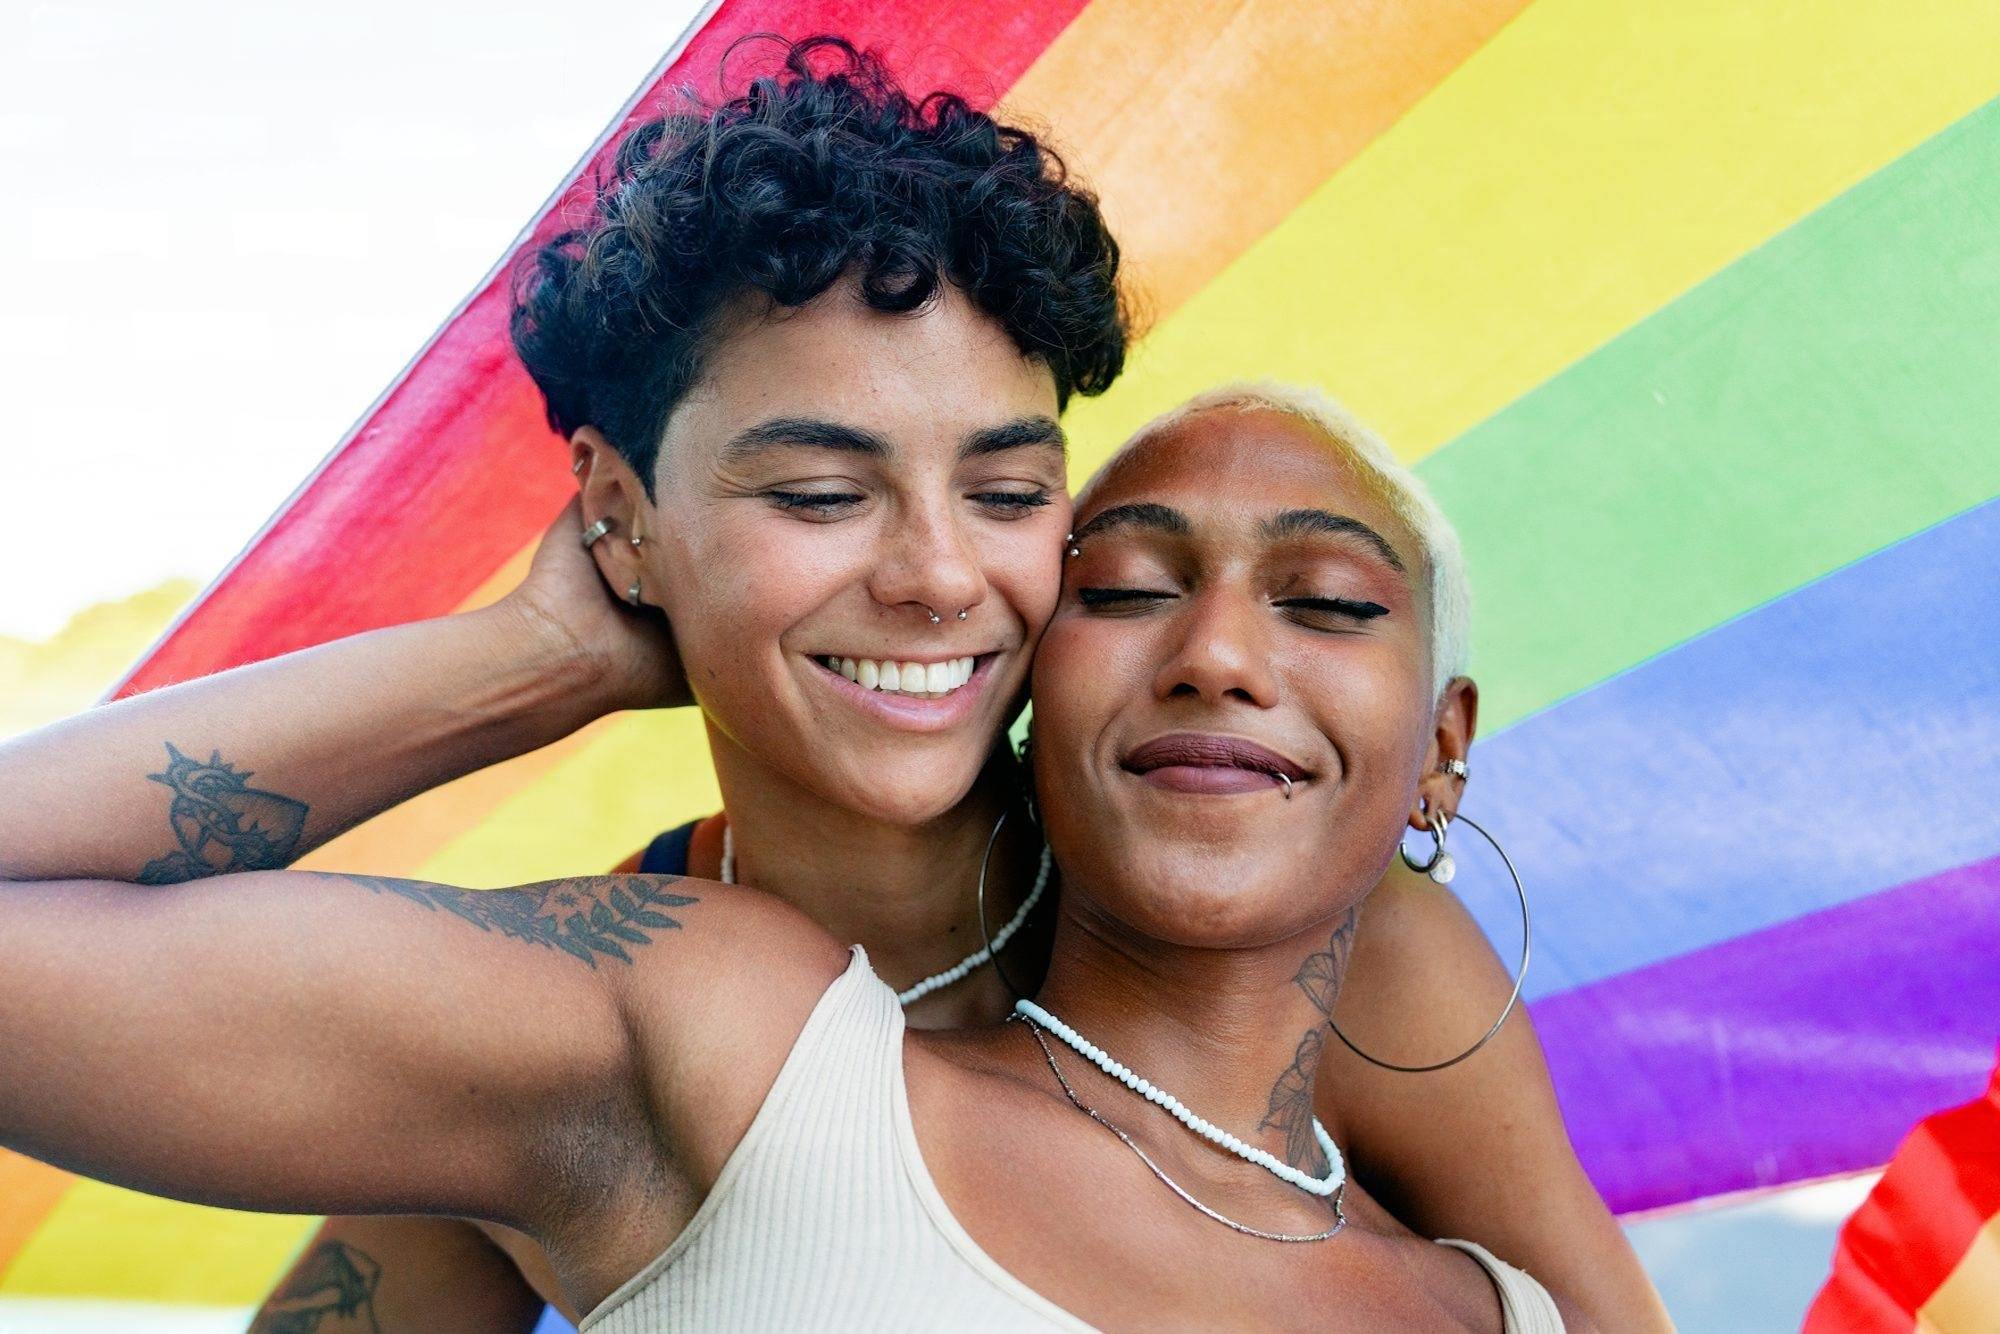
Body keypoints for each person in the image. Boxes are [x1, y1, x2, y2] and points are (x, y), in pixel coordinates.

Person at [50, 36, 1658, 1329]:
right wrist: (531, 659)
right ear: (621, 514)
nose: (939, 574)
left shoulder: (1288, 915)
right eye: (820, 495)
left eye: (1017, 497)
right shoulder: (615, 1011)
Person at [3, 385, 1598, 1329]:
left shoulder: (1383, 975)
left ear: (1442, 747)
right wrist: (539, 655)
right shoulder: (679, 1008)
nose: (923, 574)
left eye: (1324, 600)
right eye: (1122, 591)